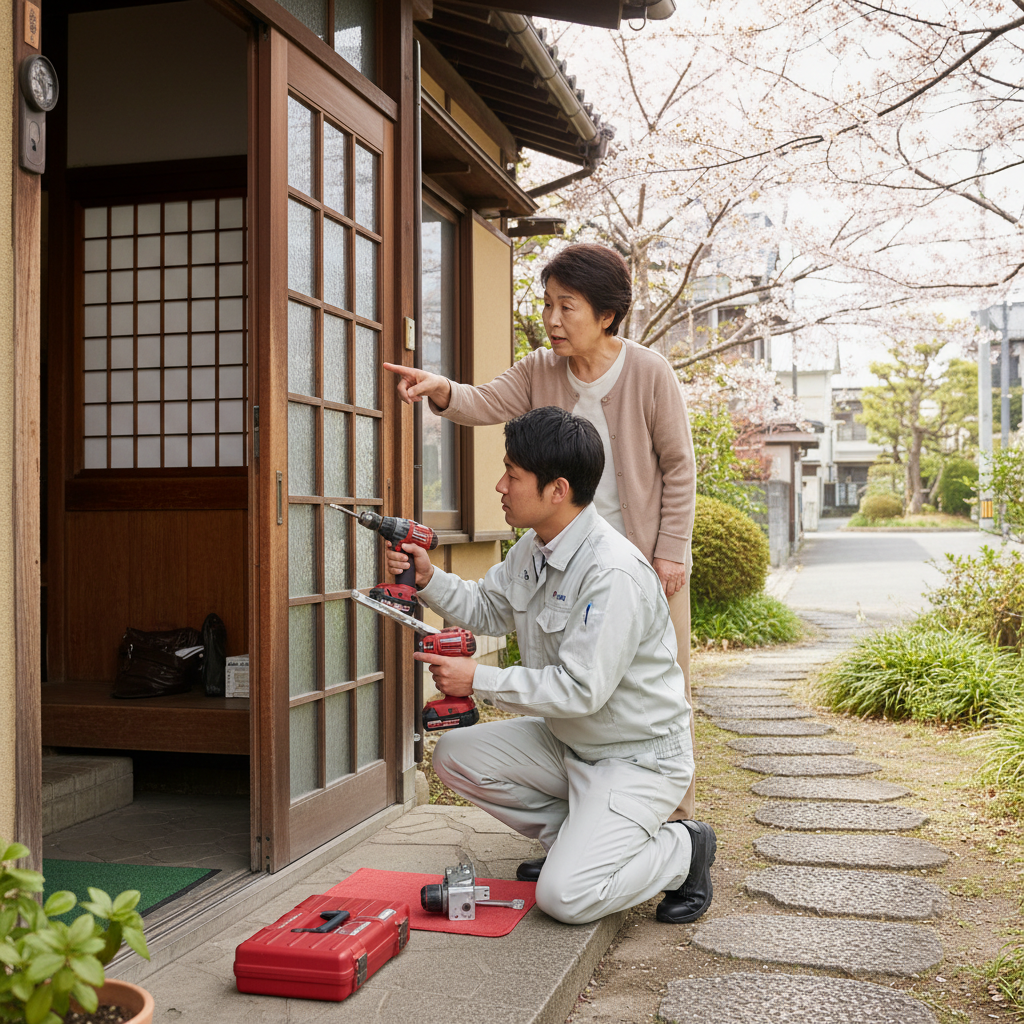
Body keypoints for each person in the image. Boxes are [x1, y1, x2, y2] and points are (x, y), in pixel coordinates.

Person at [384, 242, 699, 833]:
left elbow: (680, 466)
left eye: (567, 306)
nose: (552, 319)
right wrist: (440, 387)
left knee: (658, 698)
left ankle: (679, 830)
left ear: (606, 314)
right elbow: (485, 401)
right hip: (562, 553)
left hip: (643, 562)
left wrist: (670, 552)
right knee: (575, 693)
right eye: (548, 304)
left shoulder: (649, 371)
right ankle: (584, 827)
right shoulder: (539, 368)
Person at [385, 406, 715, 926]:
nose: (500, 486)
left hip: (636, 759)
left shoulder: (612, 573)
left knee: (564, 898)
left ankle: (684, 849)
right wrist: (428, 578)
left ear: (557, 490)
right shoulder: (533, 549)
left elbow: (581, 690)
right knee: (454, 755)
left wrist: (477, 679)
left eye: (512, 475)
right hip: (572, 744)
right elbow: (487, 607)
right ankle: (573, 841)